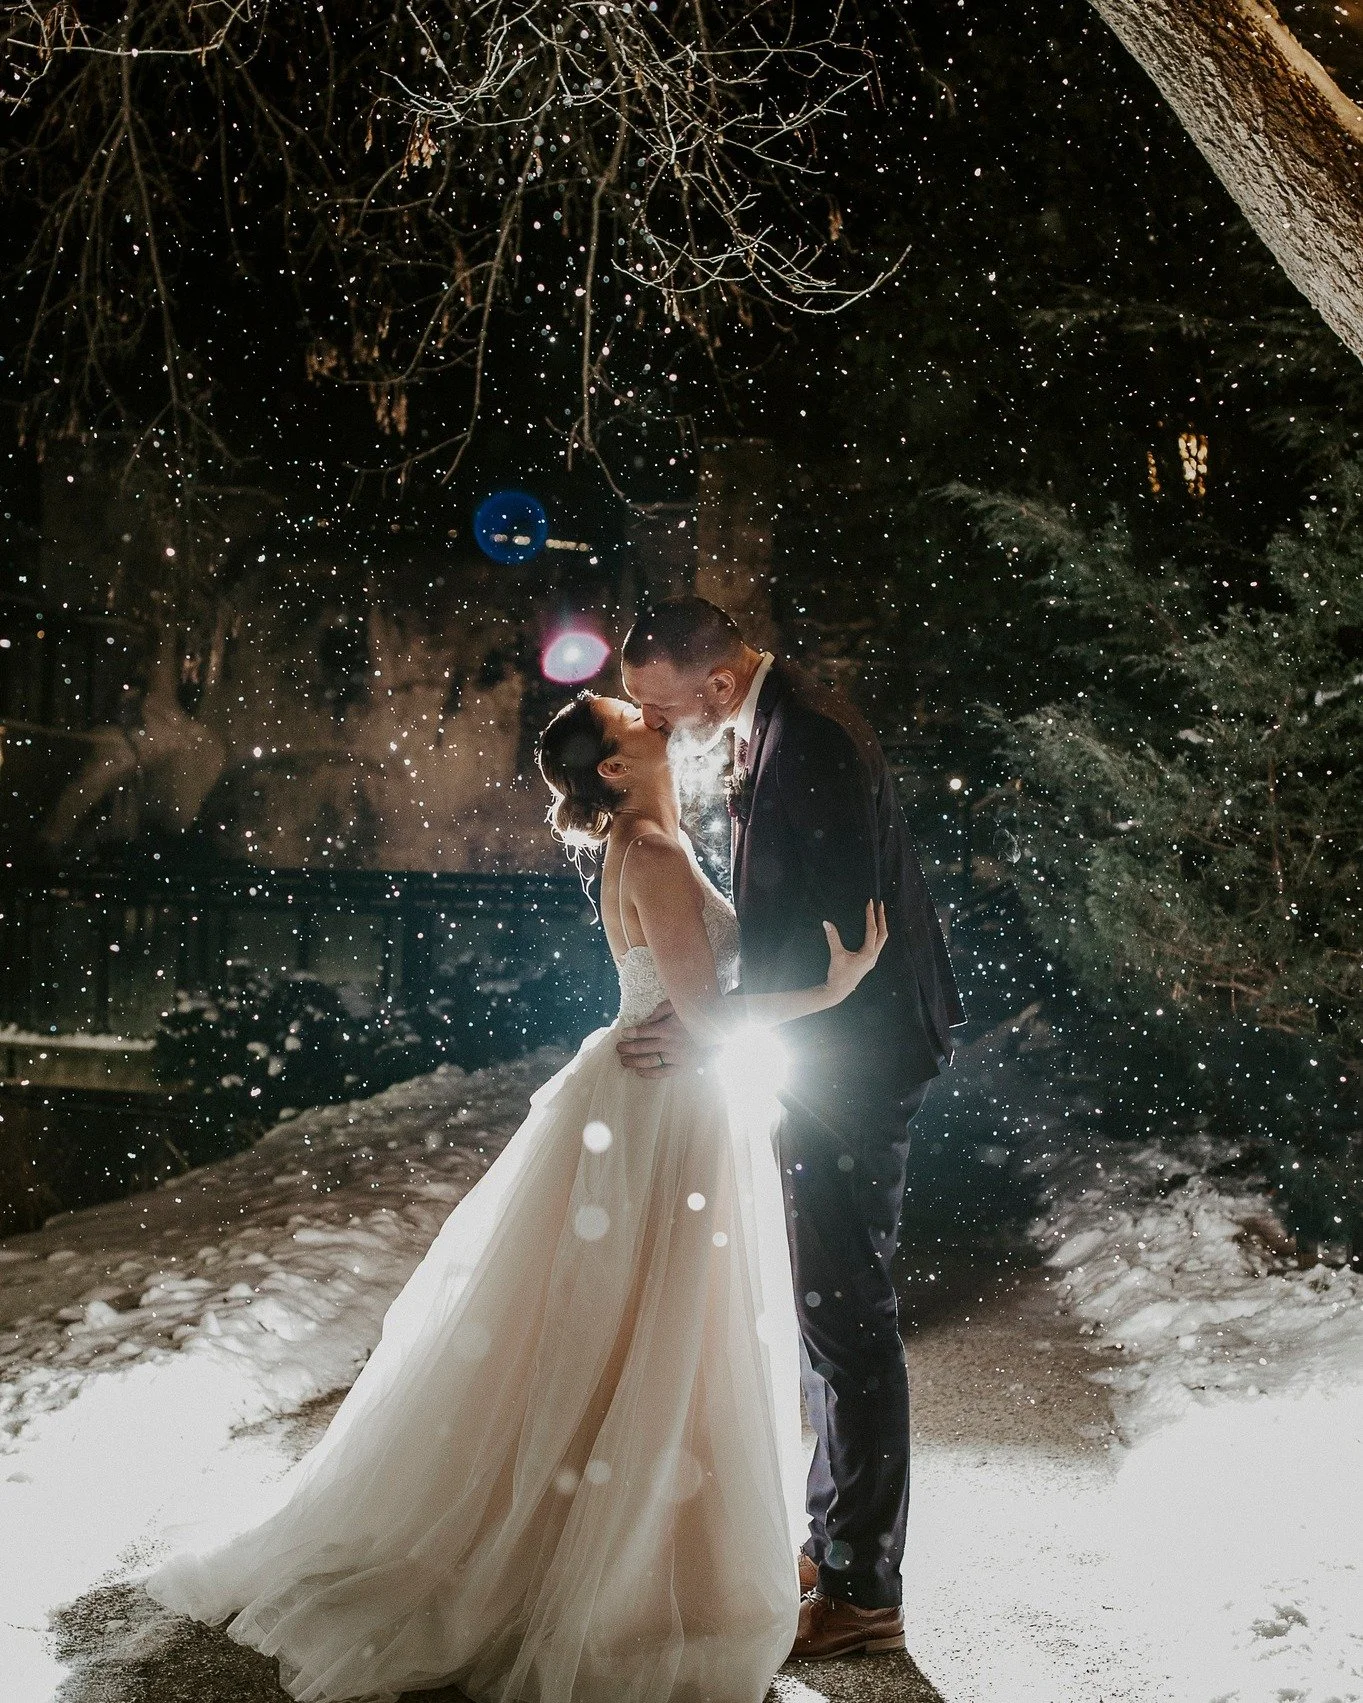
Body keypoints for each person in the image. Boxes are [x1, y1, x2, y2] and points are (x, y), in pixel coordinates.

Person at [143, 688, 886, 1703]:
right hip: (661, 1110)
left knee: (631, 1322)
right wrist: (833, 988)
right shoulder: (654, 850)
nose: (652, 712)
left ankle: (609, 1533)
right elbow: (707, 1011)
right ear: (615, 766)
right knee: (657, 1323)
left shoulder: (648, 831)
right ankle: (609, 1563)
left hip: (656, 1096)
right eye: (631, 715)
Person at [618, 597, 965, 1661]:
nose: (659, 728)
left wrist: (714, 1025)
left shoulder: (806, 737)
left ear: (717, 685)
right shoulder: (779, 720)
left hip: (853, 1066)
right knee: (828, 1312)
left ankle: (865, 1588)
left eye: (661, 707)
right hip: (833, 1057)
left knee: (848, 1316)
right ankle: (833, 1539)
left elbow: (835, 941)